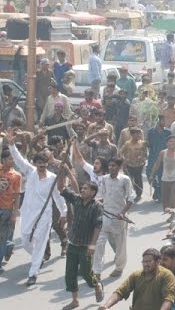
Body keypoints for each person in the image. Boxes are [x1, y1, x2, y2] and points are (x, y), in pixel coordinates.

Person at [6, 128, 67, 286]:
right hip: (27, 213)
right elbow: (19, 160)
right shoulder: (30, 171)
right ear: (35, 164)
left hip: (44, 216)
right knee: (26, 241)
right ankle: (37, 258)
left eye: (44, 163)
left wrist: (64, 212)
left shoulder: (52, 178)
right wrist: (11, 144)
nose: (41, 165)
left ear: (47, 164)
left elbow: (58, 197)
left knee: (40, 242)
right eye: (39, 163)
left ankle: (33, 273)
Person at [57, 167, 104, 310]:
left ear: (93, 192)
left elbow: (98, 226)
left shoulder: (97, 206)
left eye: (85, 189)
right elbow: (61, 188)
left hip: (85, 245)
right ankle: (75, 300)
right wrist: (62, 173)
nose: (82, 190)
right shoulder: (76, 199)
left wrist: (93, 244)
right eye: (82, 188)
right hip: (73, 243)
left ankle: (96, 285)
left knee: (86, 273)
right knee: (70, 274)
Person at [92, 157, 134, 279]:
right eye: (110, 165)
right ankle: (96, 270)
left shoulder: (125, 180)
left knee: (120, 245)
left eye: (114, 165)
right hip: (105, 216)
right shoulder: (104, 179)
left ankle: (119, 268)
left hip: (119, 218)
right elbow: (100, 195)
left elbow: (131, 197)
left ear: (119, 167)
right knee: (99, 243)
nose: (111, 168)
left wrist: (123, 212)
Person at [97, 248, 175, 310]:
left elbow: (168, 298)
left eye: (149, 261)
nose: (145, 264)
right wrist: (106, 306)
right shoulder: (136, 275)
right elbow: (121, 291)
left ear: (158, 262)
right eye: (144, 262)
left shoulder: (167, 276)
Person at [149, 135, 175, 211]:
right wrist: (152, 175)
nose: (172, 143)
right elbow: (157, 164)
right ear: (167, 143)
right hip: (165, 179)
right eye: (170, 141)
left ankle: (173, 214)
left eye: (173, 141)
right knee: (165, 200)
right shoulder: (163, 153)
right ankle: (169, 212)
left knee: (173, 199)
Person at [0, 149, 22, 273]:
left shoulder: (16, 175)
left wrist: (15, 213)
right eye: (9, 158)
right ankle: (9, 246)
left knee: (2, 237)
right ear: (3, 160)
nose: (12, 161)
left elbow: (17, 195)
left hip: (7, 209)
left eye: (13, 158)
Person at [145, 115, 172, 201]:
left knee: (161, 176)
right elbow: (148, 143)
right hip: (153, 156)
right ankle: (156, 189)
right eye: (163, 120)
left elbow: (171, 144)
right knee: (149, 173)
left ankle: (159, 193)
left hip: (164, 157)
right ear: (158, 121)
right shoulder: (151, 131)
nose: (164, 122)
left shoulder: (168, 132)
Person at [119, 127, 147, 202]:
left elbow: (145, 153)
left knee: (138, 179)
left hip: (139, 165)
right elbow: (121, 152)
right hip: (129, 165)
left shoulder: (142, 143)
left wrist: (142, 157)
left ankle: (138, 194)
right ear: (132, 134)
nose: (138, 135)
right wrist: (123, 159)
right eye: (136, 134)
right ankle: (129, 194)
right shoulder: (127, 143)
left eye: (139, 134)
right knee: (129, 180)